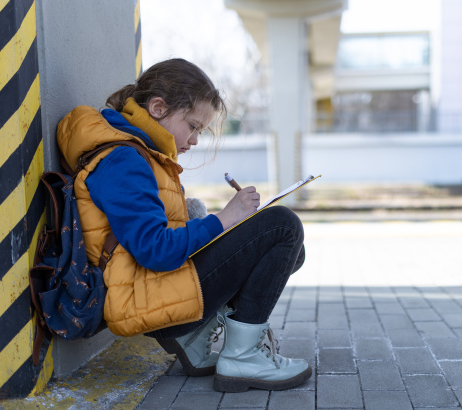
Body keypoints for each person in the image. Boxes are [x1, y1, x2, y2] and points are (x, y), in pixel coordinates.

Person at [56, 58, 310, 392]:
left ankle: (194, 335)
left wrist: (201, 220)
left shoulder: (143, 152)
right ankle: (242, 358)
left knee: (293, 250)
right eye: (192, 126)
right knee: (282, 226)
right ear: (159, 108)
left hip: (153, 288)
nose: (194, 140)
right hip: (143, 299)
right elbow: (155, 250)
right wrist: (224, 219)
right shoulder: (124, 159)